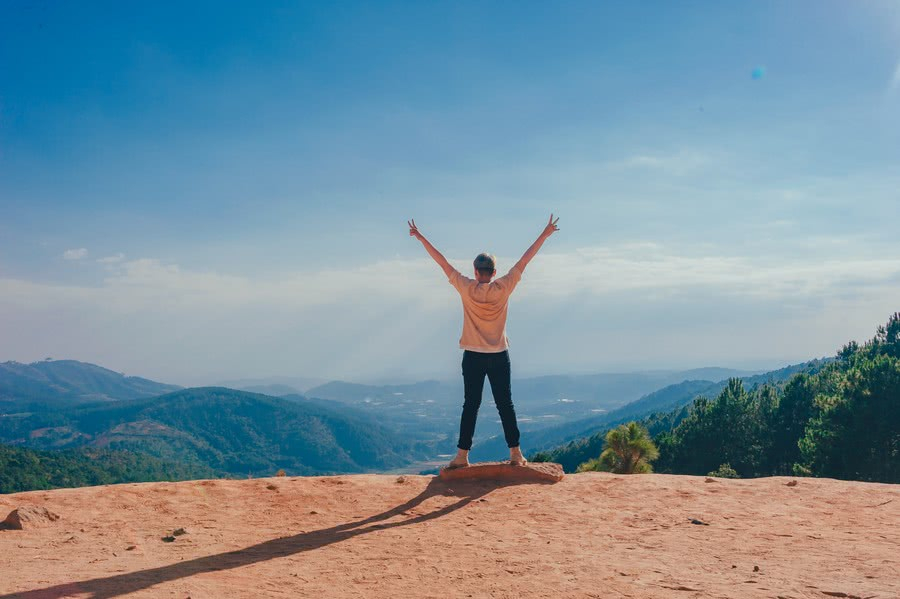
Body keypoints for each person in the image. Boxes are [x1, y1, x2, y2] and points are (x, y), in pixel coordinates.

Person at [408, 215, 560, 469]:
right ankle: (515, 454)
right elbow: (525, 260)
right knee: (505, 405)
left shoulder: (466, 287)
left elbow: (442, 263)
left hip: (473, 356)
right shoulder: (504, 286)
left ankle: (462, 456)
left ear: (476, 272)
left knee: (471, 405)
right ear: (494, 272)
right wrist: (544, 234)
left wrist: (422, 238)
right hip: (500, 354)